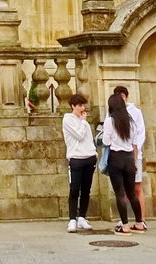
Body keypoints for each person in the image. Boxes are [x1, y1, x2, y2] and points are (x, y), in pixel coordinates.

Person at [102, 89, 146, 234]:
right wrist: (133, 162)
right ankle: (139, 223)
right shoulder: (131, 122)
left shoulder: (110, 121)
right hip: (129, 158)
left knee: (120, 193)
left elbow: (106, 140)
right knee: (132, 192)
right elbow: (135, 143)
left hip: (116, 157)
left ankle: (125, 225)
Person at [62, 93, 96, 233]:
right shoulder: (68, 120)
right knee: (74, 189)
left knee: (86, 190)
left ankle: (82, 216)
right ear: (73, 106)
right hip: (76, 158)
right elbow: (79, 135)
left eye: (83, 105)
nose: (83, 108)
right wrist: (82, 121)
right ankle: (72, 219)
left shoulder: (85, 122)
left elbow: (88, 138)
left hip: (89, 157)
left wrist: (94, 152)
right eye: (80, 105)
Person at [116, 86, 146, 218]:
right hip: (120, 155)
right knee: (123, 189)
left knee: (137, 187)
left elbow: (141, 133)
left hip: (134, 154)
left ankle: (142, 218)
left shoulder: (136, 112)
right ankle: (125, 219)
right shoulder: (112, 112)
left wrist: (135, 150)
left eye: (123, 96)